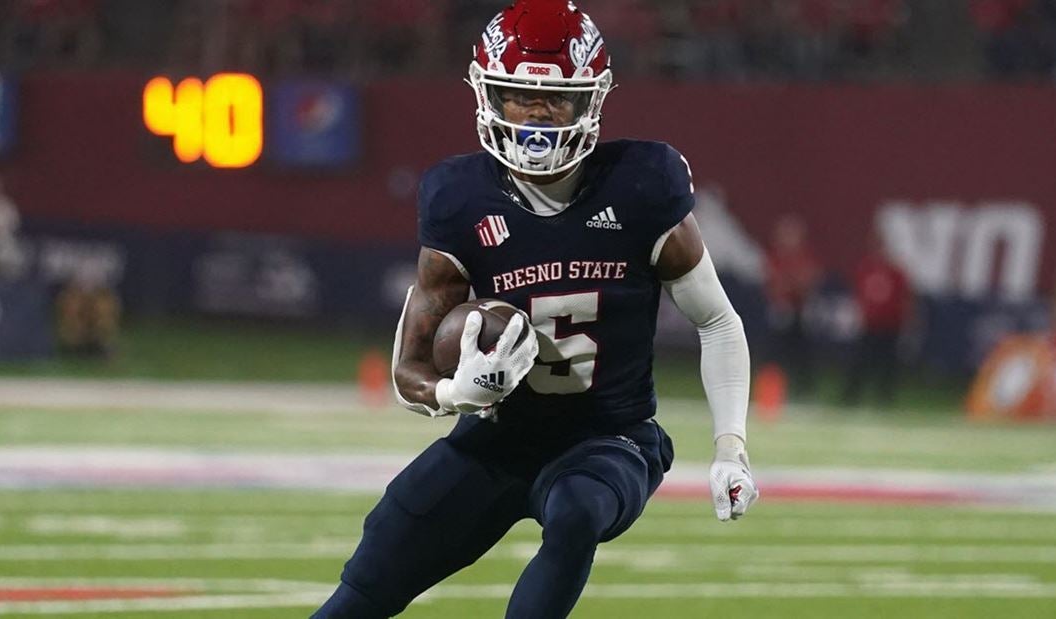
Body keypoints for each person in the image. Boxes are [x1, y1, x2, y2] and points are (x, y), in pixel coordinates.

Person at [312, 2, 758, 617]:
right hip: (497, 438)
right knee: (372, 576)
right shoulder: (458, 197)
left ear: (593, 102)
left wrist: (730, 447)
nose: (539, 116)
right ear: (487, 96)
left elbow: (717, 320)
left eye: (557, 101)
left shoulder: (643, 183)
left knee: (577, 511)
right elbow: (409, 367)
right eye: (520, 97)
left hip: (611, 438)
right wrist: (456, 394)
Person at [842, 229, 912, 407]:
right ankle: (852, 395)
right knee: (860, 361)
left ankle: (885, 397)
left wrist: (907, 320)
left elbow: (905, 297)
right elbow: (859, 294)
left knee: (887, 364)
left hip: (890, 325)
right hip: (869, 324)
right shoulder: (865, 269)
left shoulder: (896, 271)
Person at [764, 214, 822, 396]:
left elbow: (809, 280)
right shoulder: (776, 257)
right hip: (780, 312)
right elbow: (774, 284)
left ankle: (804, 391)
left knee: (802, 356)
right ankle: (770, 392)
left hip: (798, 312)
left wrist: (793, 283)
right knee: (773, 356)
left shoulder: (803, 256)